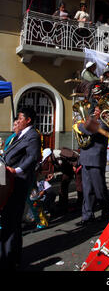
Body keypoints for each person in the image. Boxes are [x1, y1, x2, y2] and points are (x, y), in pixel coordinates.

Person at [0, 107, 41, 270]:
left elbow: (32, 157)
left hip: (18, 181)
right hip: (8, 179)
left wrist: (16, 170)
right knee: (10, 219)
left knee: (12, 219)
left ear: (28, 120)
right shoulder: (20, 134)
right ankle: (12, 255)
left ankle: (9, 259)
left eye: (20, 118)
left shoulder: (33, 135)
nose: (17, 120)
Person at [77, 105, 109, 226]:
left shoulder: (104, 123)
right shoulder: (90, 121)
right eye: (95, 110)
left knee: (99, 189)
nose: (95, 112)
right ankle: (87, 215)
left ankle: (106, 212)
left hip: (96, 159)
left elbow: (90, 130)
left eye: (98, 110)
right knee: (87, 190)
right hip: (85, 158)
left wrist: (79, 125)